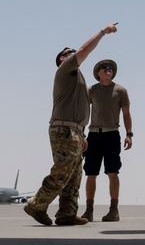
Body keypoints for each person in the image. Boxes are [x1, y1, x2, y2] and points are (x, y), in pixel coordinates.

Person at [24, 22, 119, 226]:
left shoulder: (78, 80)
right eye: (68, 52)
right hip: (64, 129)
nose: (74, 53)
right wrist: (103, 32)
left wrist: (82, 134)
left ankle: (66, 213)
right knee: (63, 169)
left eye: (72, 52)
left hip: (75, 131)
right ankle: (37, 204)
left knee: (74, 175)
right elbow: (85, 49)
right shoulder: (65, 69)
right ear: (61, 59)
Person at [79, 58, 132, 222]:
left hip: (112, 135)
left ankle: (114, 211)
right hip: (94, 135)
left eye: (110, 67)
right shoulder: (91, 90)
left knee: (113, 172)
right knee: (91, 173)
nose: (108, 69)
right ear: (98, 73)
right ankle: (88, 210)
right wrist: (81, 133)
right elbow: (83, 112)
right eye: (104, 67)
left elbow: (126, 114)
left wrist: (129, 134)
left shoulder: (121, 90)